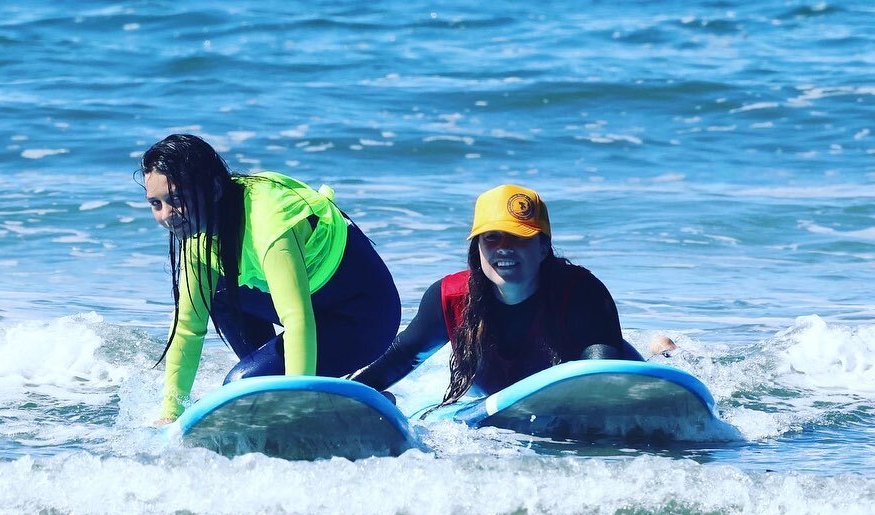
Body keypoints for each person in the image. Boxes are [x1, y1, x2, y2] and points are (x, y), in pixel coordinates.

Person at [141, 133, 400, 422]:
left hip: (363, 317)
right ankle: (328, 398)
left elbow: (297, 318)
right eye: (156, 204)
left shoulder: (268, 220)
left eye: (176, 200)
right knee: (218, 295)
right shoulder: (197, 234)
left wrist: (296, 409)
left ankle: (323, 403)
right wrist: (170, 414)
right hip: (312, 312)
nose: (167, 215)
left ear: (213, 189)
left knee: (241, 385)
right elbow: (188, 328)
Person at [351, 183, 642, 405]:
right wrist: (354, 396)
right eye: (491, 237)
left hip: (613, 358)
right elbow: (401, 357)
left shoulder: (581, 293)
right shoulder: (449, 299)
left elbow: (600, 371)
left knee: (649, 360)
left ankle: (663, 349)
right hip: (501, 398)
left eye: (519, 237)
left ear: (543, 248)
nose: (504, 247)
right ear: (476, 251)